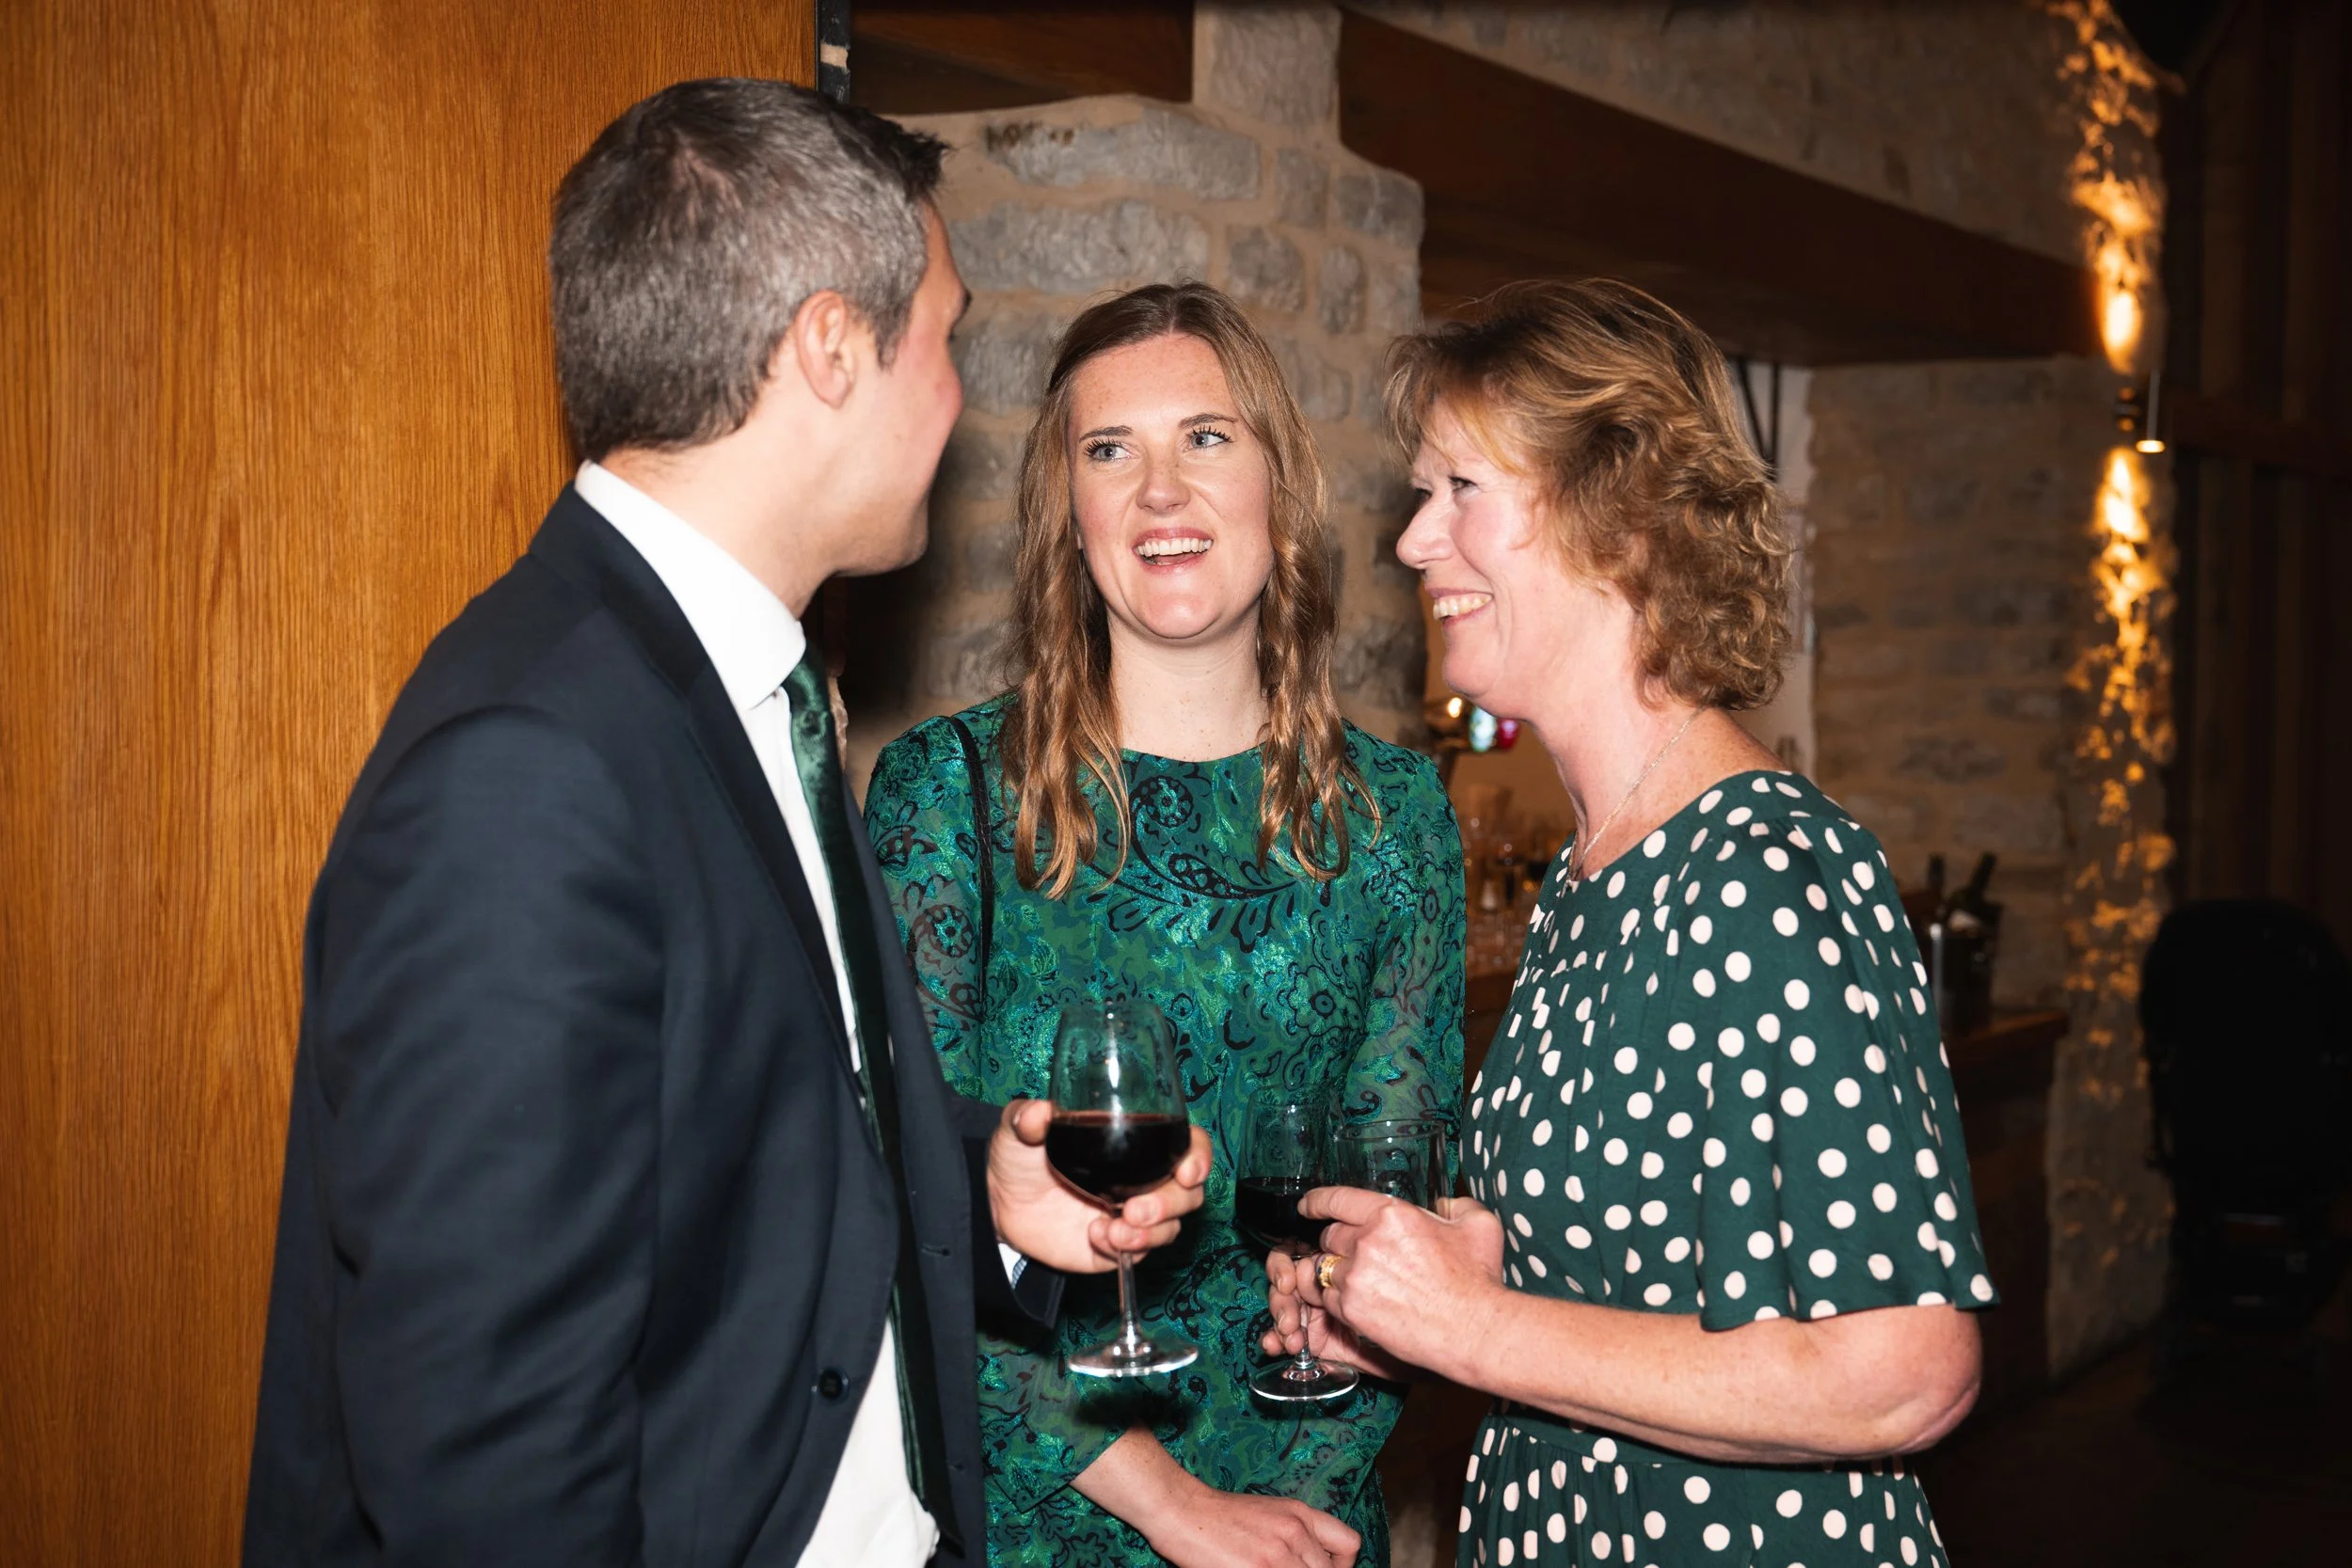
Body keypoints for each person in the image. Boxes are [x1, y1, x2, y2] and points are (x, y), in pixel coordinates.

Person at [241, 79, 1209, 1568]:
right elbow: (489, 1456)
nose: (957, 393)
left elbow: (746, 1121)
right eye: (943, 336)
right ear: (832, 346)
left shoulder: (745, 685)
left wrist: (985, 1188)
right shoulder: (528, 762)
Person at [1267, 279, 1992, 1568]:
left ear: (1617, 516)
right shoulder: (1601, 867)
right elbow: (1635, 1278)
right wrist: (1442, 1279)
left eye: (1459, 491)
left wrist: (1473, 1329)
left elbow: (1903, 1370)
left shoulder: (1767, 872)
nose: (1413, 542)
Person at [864, 281, 1465, 1568]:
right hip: (1040, 1517)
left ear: (1274, 485)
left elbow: (1396, 1203)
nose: (1158, 493)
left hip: (1311, 1511)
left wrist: (1296, 1499)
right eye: (1108, 451)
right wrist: (1172, 1505)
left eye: (1205, 436)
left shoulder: (1400, 815)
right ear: (1067, 518)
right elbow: (904, 1218)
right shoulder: (949, 796)